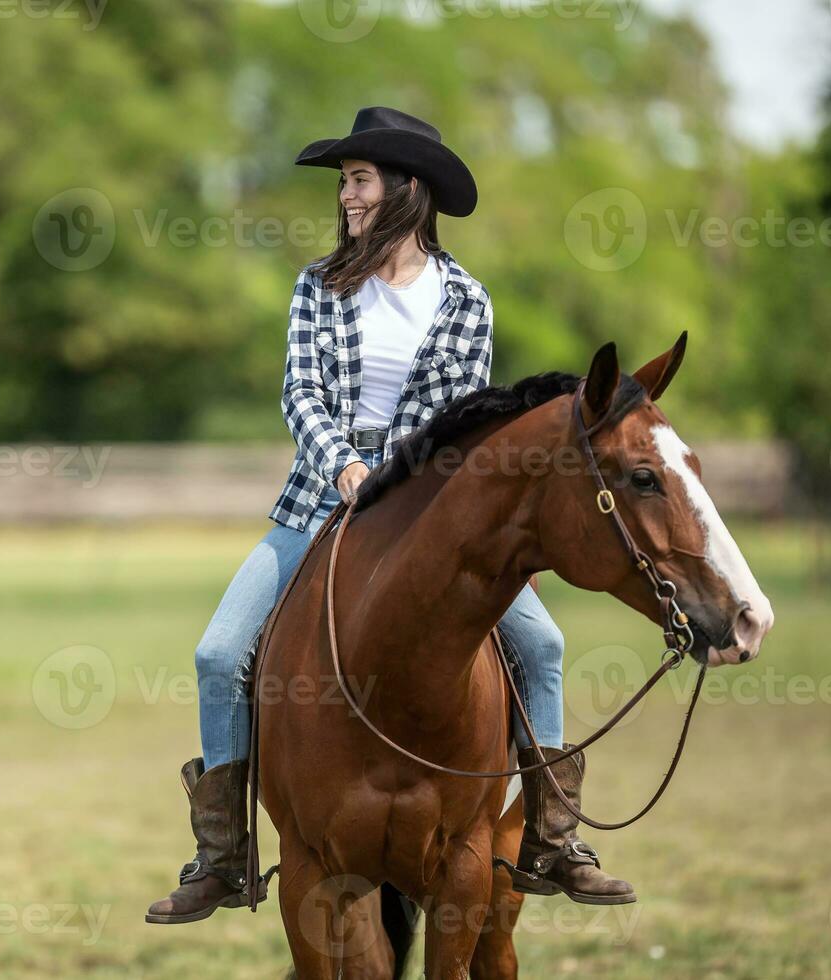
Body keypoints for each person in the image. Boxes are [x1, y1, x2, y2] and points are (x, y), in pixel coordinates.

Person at [145, 107, 634, 925]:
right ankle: (224, 853)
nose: (347, 196)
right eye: (344, 182)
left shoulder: (466, 299)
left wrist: (401, 480)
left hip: (432, 508)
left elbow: (463, 417)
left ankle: (552, 838)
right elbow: (299, 391)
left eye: (359, 180)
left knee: (542, 642)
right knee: (217, 651)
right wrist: (344, 464)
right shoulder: (318, 284)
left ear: (408, 190)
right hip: (320, 496)